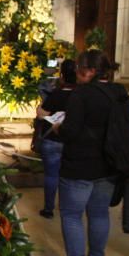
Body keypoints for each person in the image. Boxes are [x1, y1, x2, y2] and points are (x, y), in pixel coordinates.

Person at [52, 50, 122, 256]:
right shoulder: (119, 93)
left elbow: (71, 131)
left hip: (80, 164)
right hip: (109, 164)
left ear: (90, 71)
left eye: (80, 69)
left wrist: (58, 128)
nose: (77, 74)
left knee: (72, 214)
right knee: (100, 213)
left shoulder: (82, 95)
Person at [34, 59, 77, 219]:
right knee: (69, 177)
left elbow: (41, 113)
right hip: (71, 140)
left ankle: (49, 209)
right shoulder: (80, 95)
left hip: (51, 139)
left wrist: (43, 111)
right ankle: (67, 208)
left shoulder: (56, 94)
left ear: (62, 76)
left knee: (51, 175)